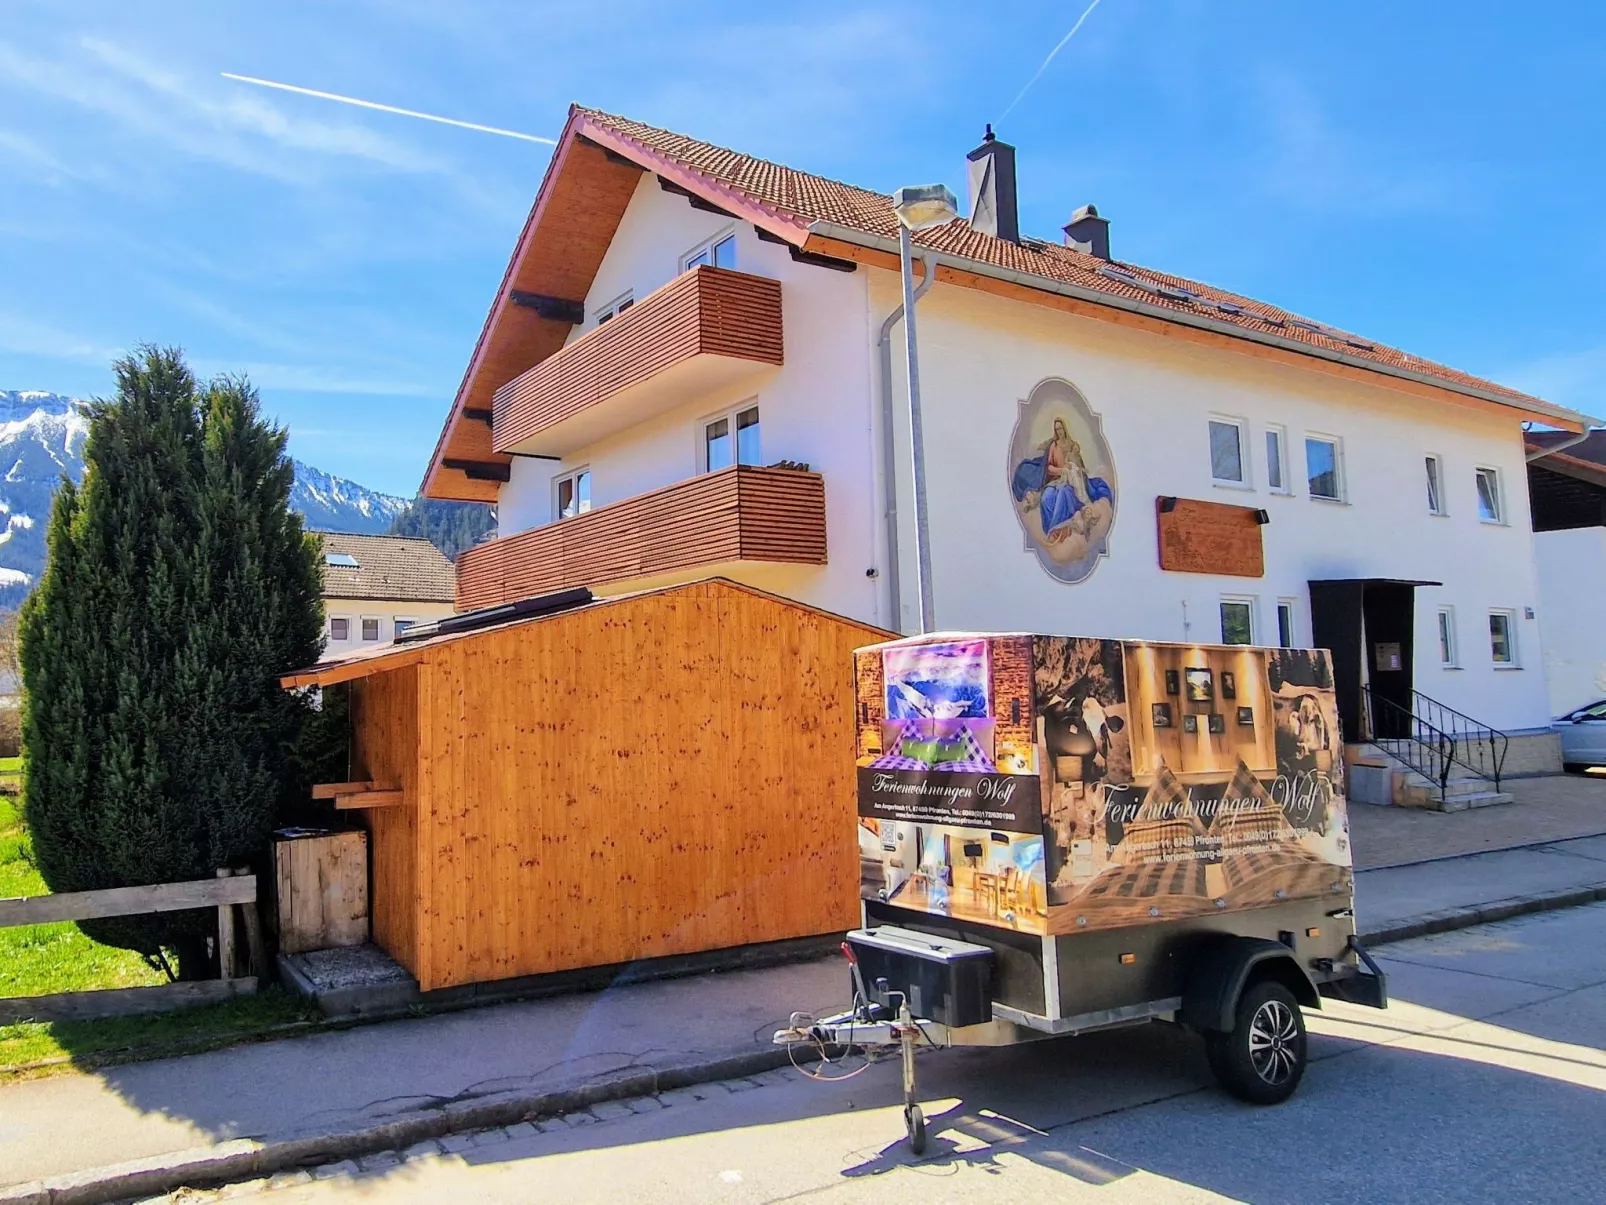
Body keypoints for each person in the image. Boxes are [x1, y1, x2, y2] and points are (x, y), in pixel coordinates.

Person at [1011, 417, 1114, 544]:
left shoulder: (1072, 445)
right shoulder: (1053, 446)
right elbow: (1049, 467)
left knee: (1063, 493)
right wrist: (1061, 470)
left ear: (1064, 428)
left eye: (1060, 428)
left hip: (1069, 482)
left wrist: (1076, 469)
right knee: (1045, 498)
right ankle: (1049, 529)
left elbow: (1079, 465)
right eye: (1056, 429)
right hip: (1054, 480)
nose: (1059, 431)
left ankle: (1056, 530)